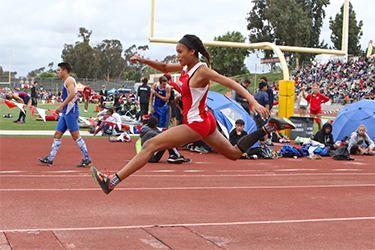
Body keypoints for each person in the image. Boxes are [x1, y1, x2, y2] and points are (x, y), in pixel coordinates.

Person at [90, 34, 295, 194]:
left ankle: (113, 181)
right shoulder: (185, 68)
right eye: (176, 52)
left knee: (150, 144)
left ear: (192, 51)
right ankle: (269, 127)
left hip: (197, 124)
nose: (177, 55)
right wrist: (142, 60)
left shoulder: (202, 71)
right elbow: (162, 67)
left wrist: (253, 102)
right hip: (205, 121)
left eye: (180, 51)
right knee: (233, 154)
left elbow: (230, 83)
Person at [38, 62, 92, 167]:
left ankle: (87, 158)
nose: (57, 72)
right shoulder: (66, 81)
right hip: (65, 113)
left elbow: (72, 94)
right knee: (57, 134)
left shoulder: (69, 80)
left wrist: (61, 106)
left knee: (76, 136)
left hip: (70, 113)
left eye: (59, 70)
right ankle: (50, 158)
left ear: (65, 71)